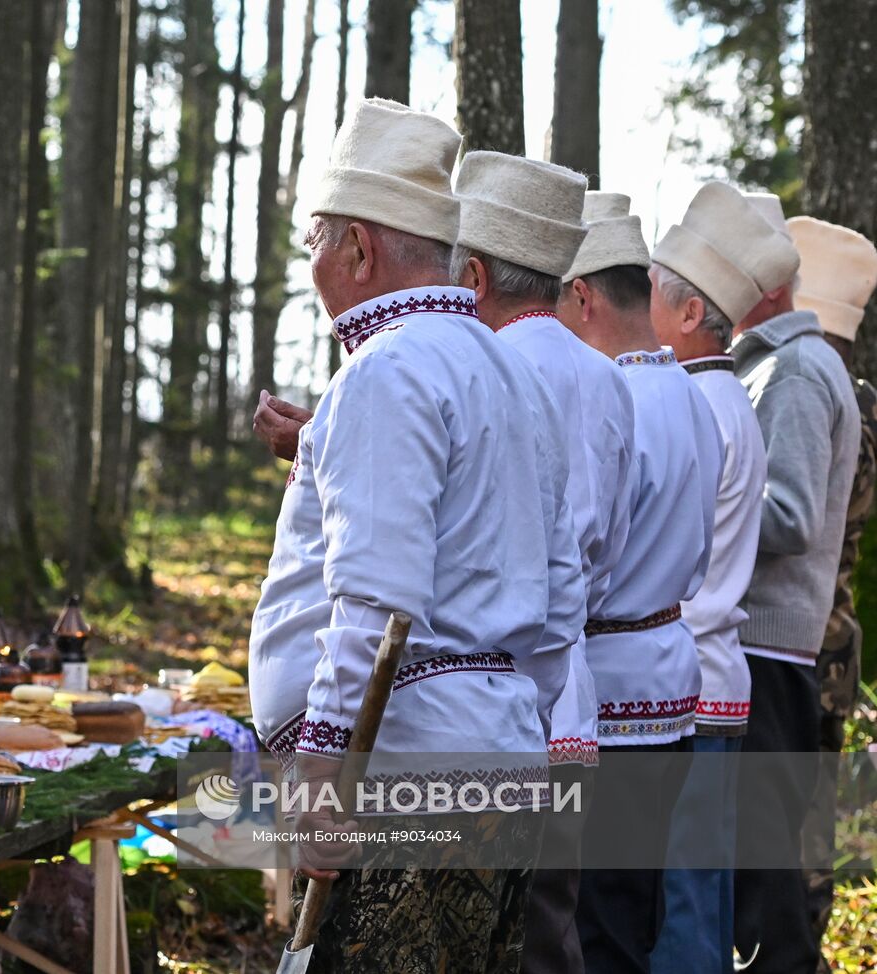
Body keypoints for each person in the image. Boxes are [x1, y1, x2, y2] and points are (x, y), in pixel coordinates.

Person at [247, 98, 584, 973]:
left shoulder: (388, 368)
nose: (312, 264)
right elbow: (559, 601)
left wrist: (322, 776)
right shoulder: (510, 372)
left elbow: (377, 601)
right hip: (494, 759)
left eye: (314, 242)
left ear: (358, 248)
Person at [450, 161, 634, 974]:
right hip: (572, 696)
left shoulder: (477, 372)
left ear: (475, 276)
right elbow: (608, 549)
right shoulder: (607, 377)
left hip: (482, 702)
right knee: (552, 938)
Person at [555, 190, 724, 974]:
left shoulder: (609, 396)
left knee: (599, 926)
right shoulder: (693, 394)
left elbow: (581, 555)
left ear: (582, 296)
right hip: (670, 675)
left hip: (612, 686)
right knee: (636, 908)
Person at [644, 182, 781, 974]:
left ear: (692, 312)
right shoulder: (727, 399)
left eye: (651, 296)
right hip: (717, 677)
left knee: (682, 906)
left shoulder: (695, 405)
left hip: (688, 683)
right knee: (702, 894)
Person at [728, 200, 859, 974]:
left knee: (765, 884)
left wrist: (694, 504)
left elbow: (792, 516)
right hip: (759, 647)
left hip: (767, 650)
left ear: (767, 282)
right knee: (752, 870)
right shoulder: (775, 364)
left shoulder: (796, 371)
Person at [785, 215, 877, 945]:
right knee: (806, 834)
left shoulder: (811, 397)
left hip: (795, 640)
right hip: (834, 634)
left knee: (783, 841)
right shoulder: (862, 401)